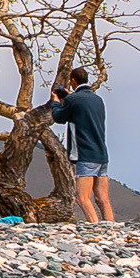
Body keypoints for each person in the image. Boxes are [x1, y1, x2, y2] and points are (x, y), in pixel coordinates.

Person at [47, 66, 112, 223]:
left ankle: (95, 226)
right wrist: (70, 97)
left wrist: (56, 102)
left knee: (82, 198)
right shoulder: (98, 99)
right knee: (102, 198)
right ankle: (112, 228)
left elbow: (59, 117)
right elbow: (83, 112)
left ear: (73, 81)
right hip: (101, 154)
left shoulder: (73, 100)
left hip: (85, 154)